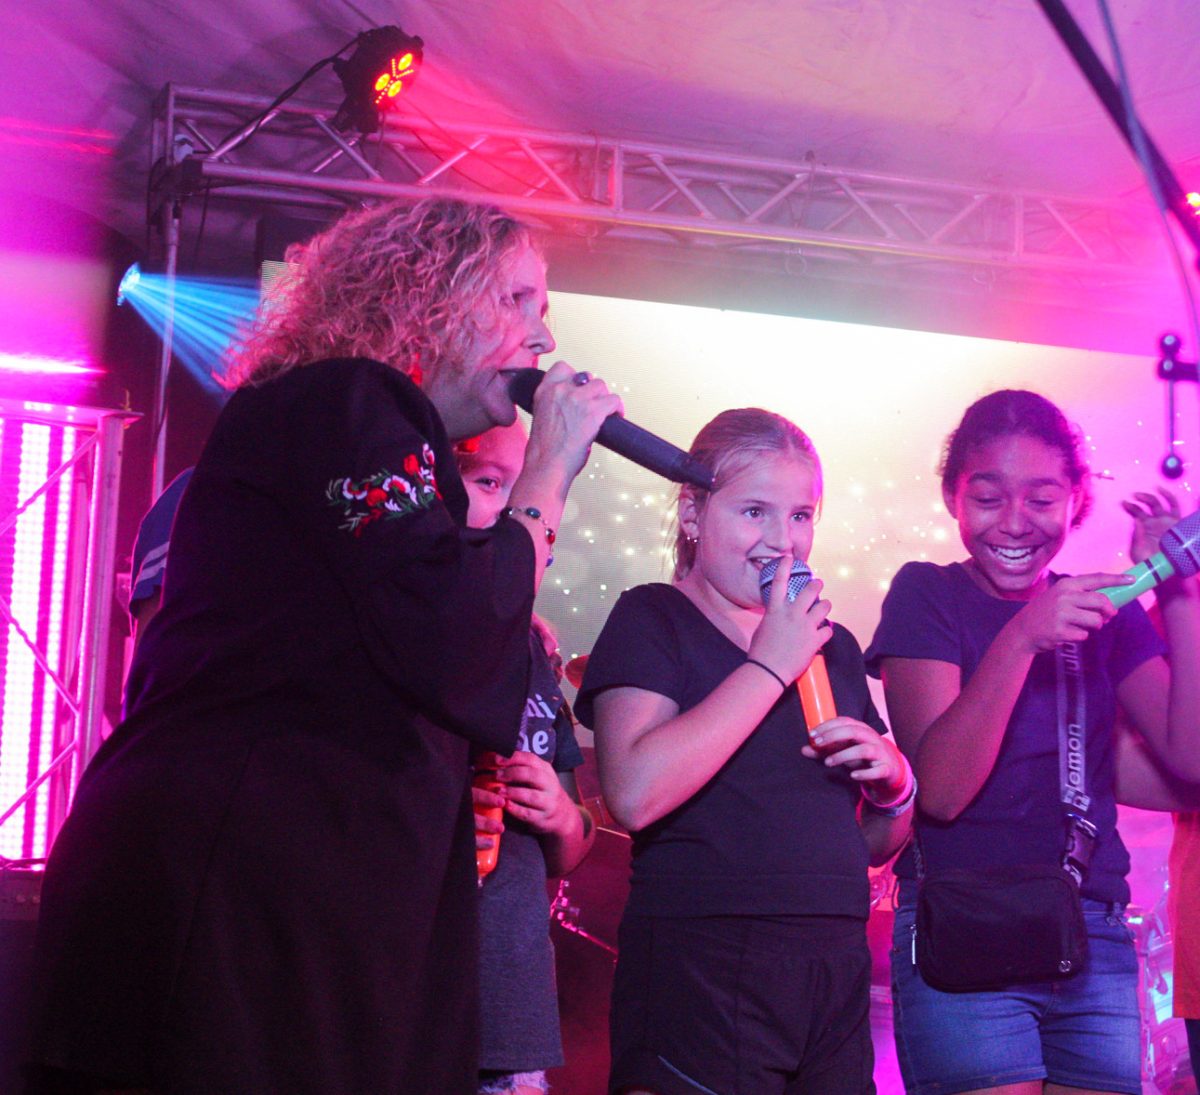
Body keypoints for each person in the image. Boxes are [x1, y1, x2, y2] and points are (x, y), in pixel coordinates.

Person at [29, 197, 621, 1094]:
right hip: (234, 894)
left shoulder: (384, 445)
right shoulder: (349, 402)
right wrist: (547, 472)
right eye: (517, 299)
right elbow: (455, 644)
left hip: (293, 903)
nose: (543, 336)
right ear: (432, 297)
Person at [865, 389, 1200, 1095]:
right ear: (953, 496)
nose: (1014, 523)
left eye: (1042, 499)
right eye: (987, 497)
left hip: (1092, 931)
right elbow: (945, 790)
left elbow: (1190, 759)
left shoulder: (1101, 608)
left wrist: (1175, 586)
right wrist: (1022, 635)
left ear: (1076, 499)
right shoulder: (928, 594)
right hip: (965, 920)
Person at [577, 408, 914, 1095]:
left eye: (800, 515)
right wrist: (768, 666)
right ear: (694, 513)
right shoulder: (653, 617)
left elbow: (873, 844)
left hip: (832, 965)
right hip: (705, 957)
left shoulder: (833, 643)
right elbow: (635, 793)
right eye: (754, 510)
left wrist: (896, 787)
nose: (781, 540)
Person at [455, 421, 595, 1095]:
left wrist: (561, 816)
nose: (516, 513)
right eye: (488, 483)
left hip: (511, 1012)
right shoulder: (415, 635)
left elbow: (569, 845)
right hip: (417, 993)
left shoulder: (536, 654)